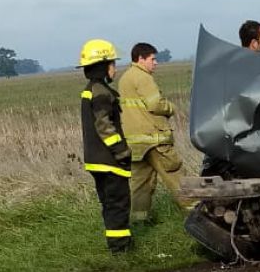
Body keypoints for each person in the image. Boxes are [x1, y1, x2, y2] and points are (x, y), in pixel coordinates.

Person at [118, 42, 194, 222]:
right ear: (140, 59)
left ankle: (139, 221)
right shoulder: (143, 77)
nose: (156, 63)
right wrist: (171, 108)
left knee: (140, 185)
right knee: (177, 177)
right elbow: (155, 104)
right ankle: (198, 216)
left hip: (136, 144)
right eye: (152, 59)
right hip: (155, 139)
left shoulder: (125, 78)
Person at [78, 39, 133, 254]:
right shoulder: (101, 92)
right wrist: (121, 151)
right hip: (109, 162)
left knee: (109, 206)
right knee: (118, 205)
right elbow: (104, 126)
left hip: (95, 162)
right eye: (112, 64)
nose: (114, 69)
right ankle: (121, 251)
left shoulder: (90, 89)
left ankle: (117, 249)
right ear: (102, 66)